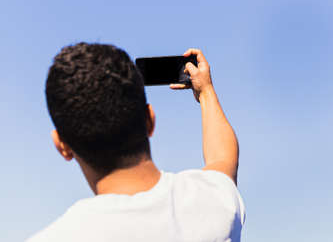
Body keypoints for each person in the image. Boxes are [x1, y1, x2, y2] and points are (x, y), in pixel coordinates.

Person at [27, 43, 245, 242]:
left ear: (62, 147)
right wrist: (206, 92)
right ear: (150, 120)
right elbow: (223, 159)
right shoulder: (212, 204)